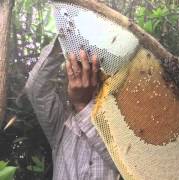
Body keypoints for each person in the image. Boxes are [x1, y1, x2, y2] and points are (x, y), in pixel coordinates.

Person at [25, 38, 120, 180]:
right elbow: (35, 88)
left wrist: (83, 105)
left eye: (92, 71)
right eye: (79, 70)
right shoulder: (61, 124)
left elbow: (129, 166)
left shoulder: (119, 129)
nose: (84, 77)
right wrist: (66, 39)